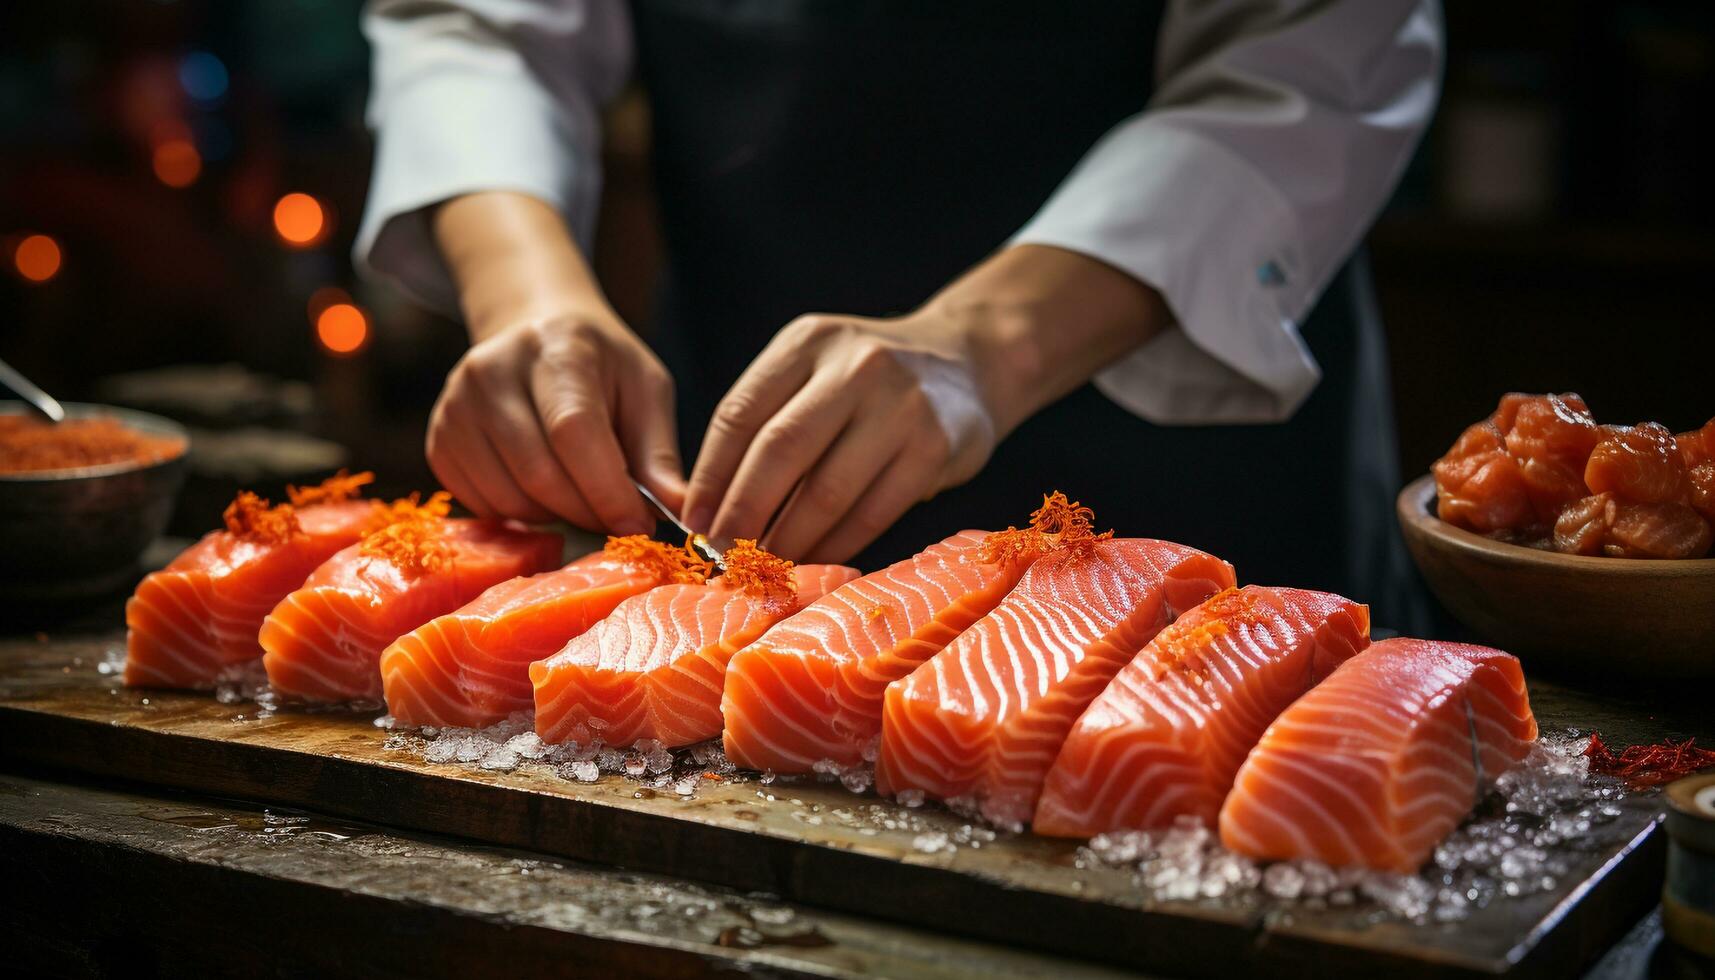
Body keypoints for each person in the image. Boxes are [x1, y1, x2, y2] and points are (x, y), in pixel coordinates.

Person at [357, 0, 1442, 627]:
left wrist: (984, 342)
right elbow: (478, 26)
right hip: (734, 456)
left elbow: (1304, 73)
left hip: (1194, 471)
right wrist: (526, 297)